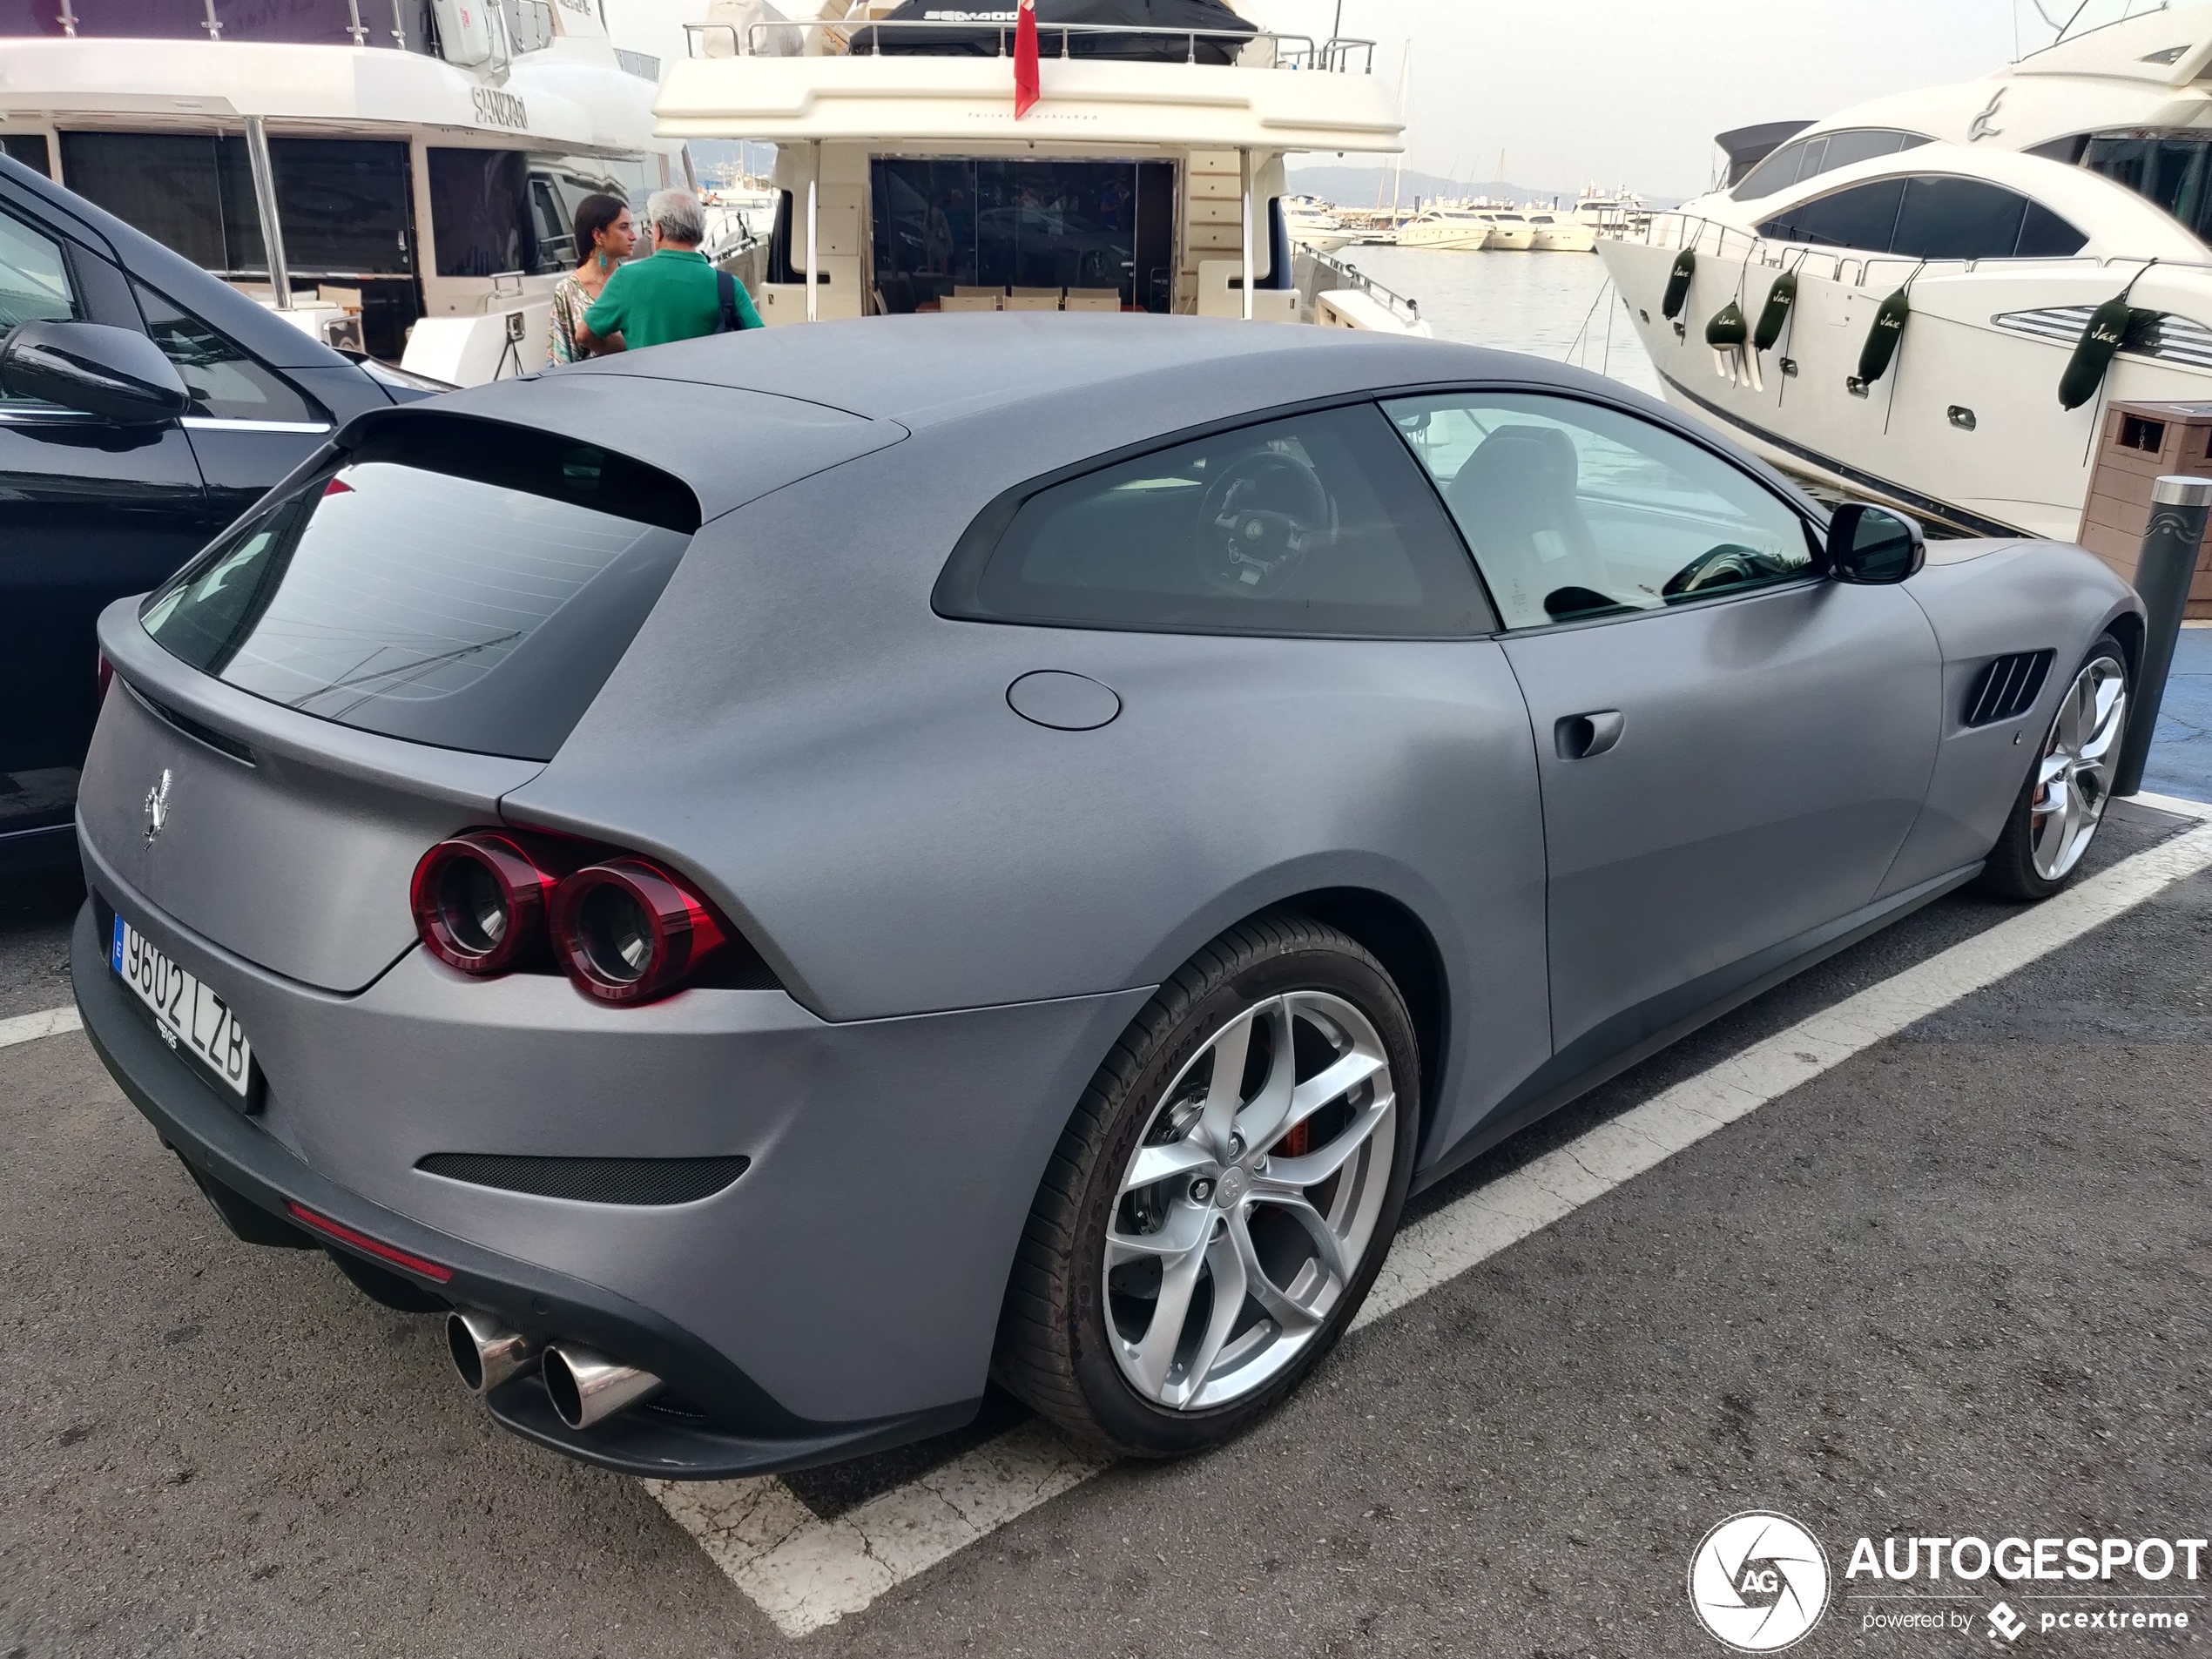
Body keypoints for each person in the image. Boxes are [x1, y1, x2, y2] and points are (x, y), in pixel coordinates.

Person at [581, 188, 760, 353]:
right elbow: (762, 341)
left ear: (658, 230)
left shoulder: (626, 279)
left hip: (649, 386)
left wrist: (625, 350)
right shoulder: (728, 285)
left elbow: (583, 335)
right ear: (699, 231)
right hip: (709, 386)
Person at [549, 193, 636, 365]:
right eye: (623, 227)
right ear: (598, 235)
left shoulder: (635, 281)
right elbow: (560, 358)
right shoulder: (568, 290)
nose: (633, 236)